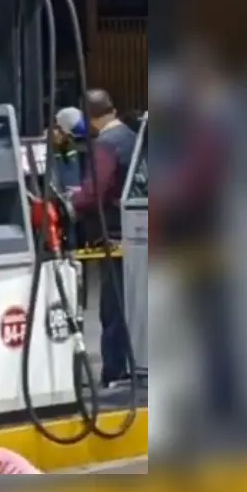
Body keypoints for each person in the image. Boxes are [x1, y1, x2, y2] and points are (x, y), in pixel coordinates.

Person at [66, 89, 137, 389]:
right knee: (135, 302)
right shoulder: (133, 137)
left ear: (91, 118)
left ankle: (114, 371)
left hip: (113, 233)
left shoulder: (106, 144)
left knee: (113, 306)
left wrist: (73, 200)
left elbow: (95, 192)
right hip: (138, 229)